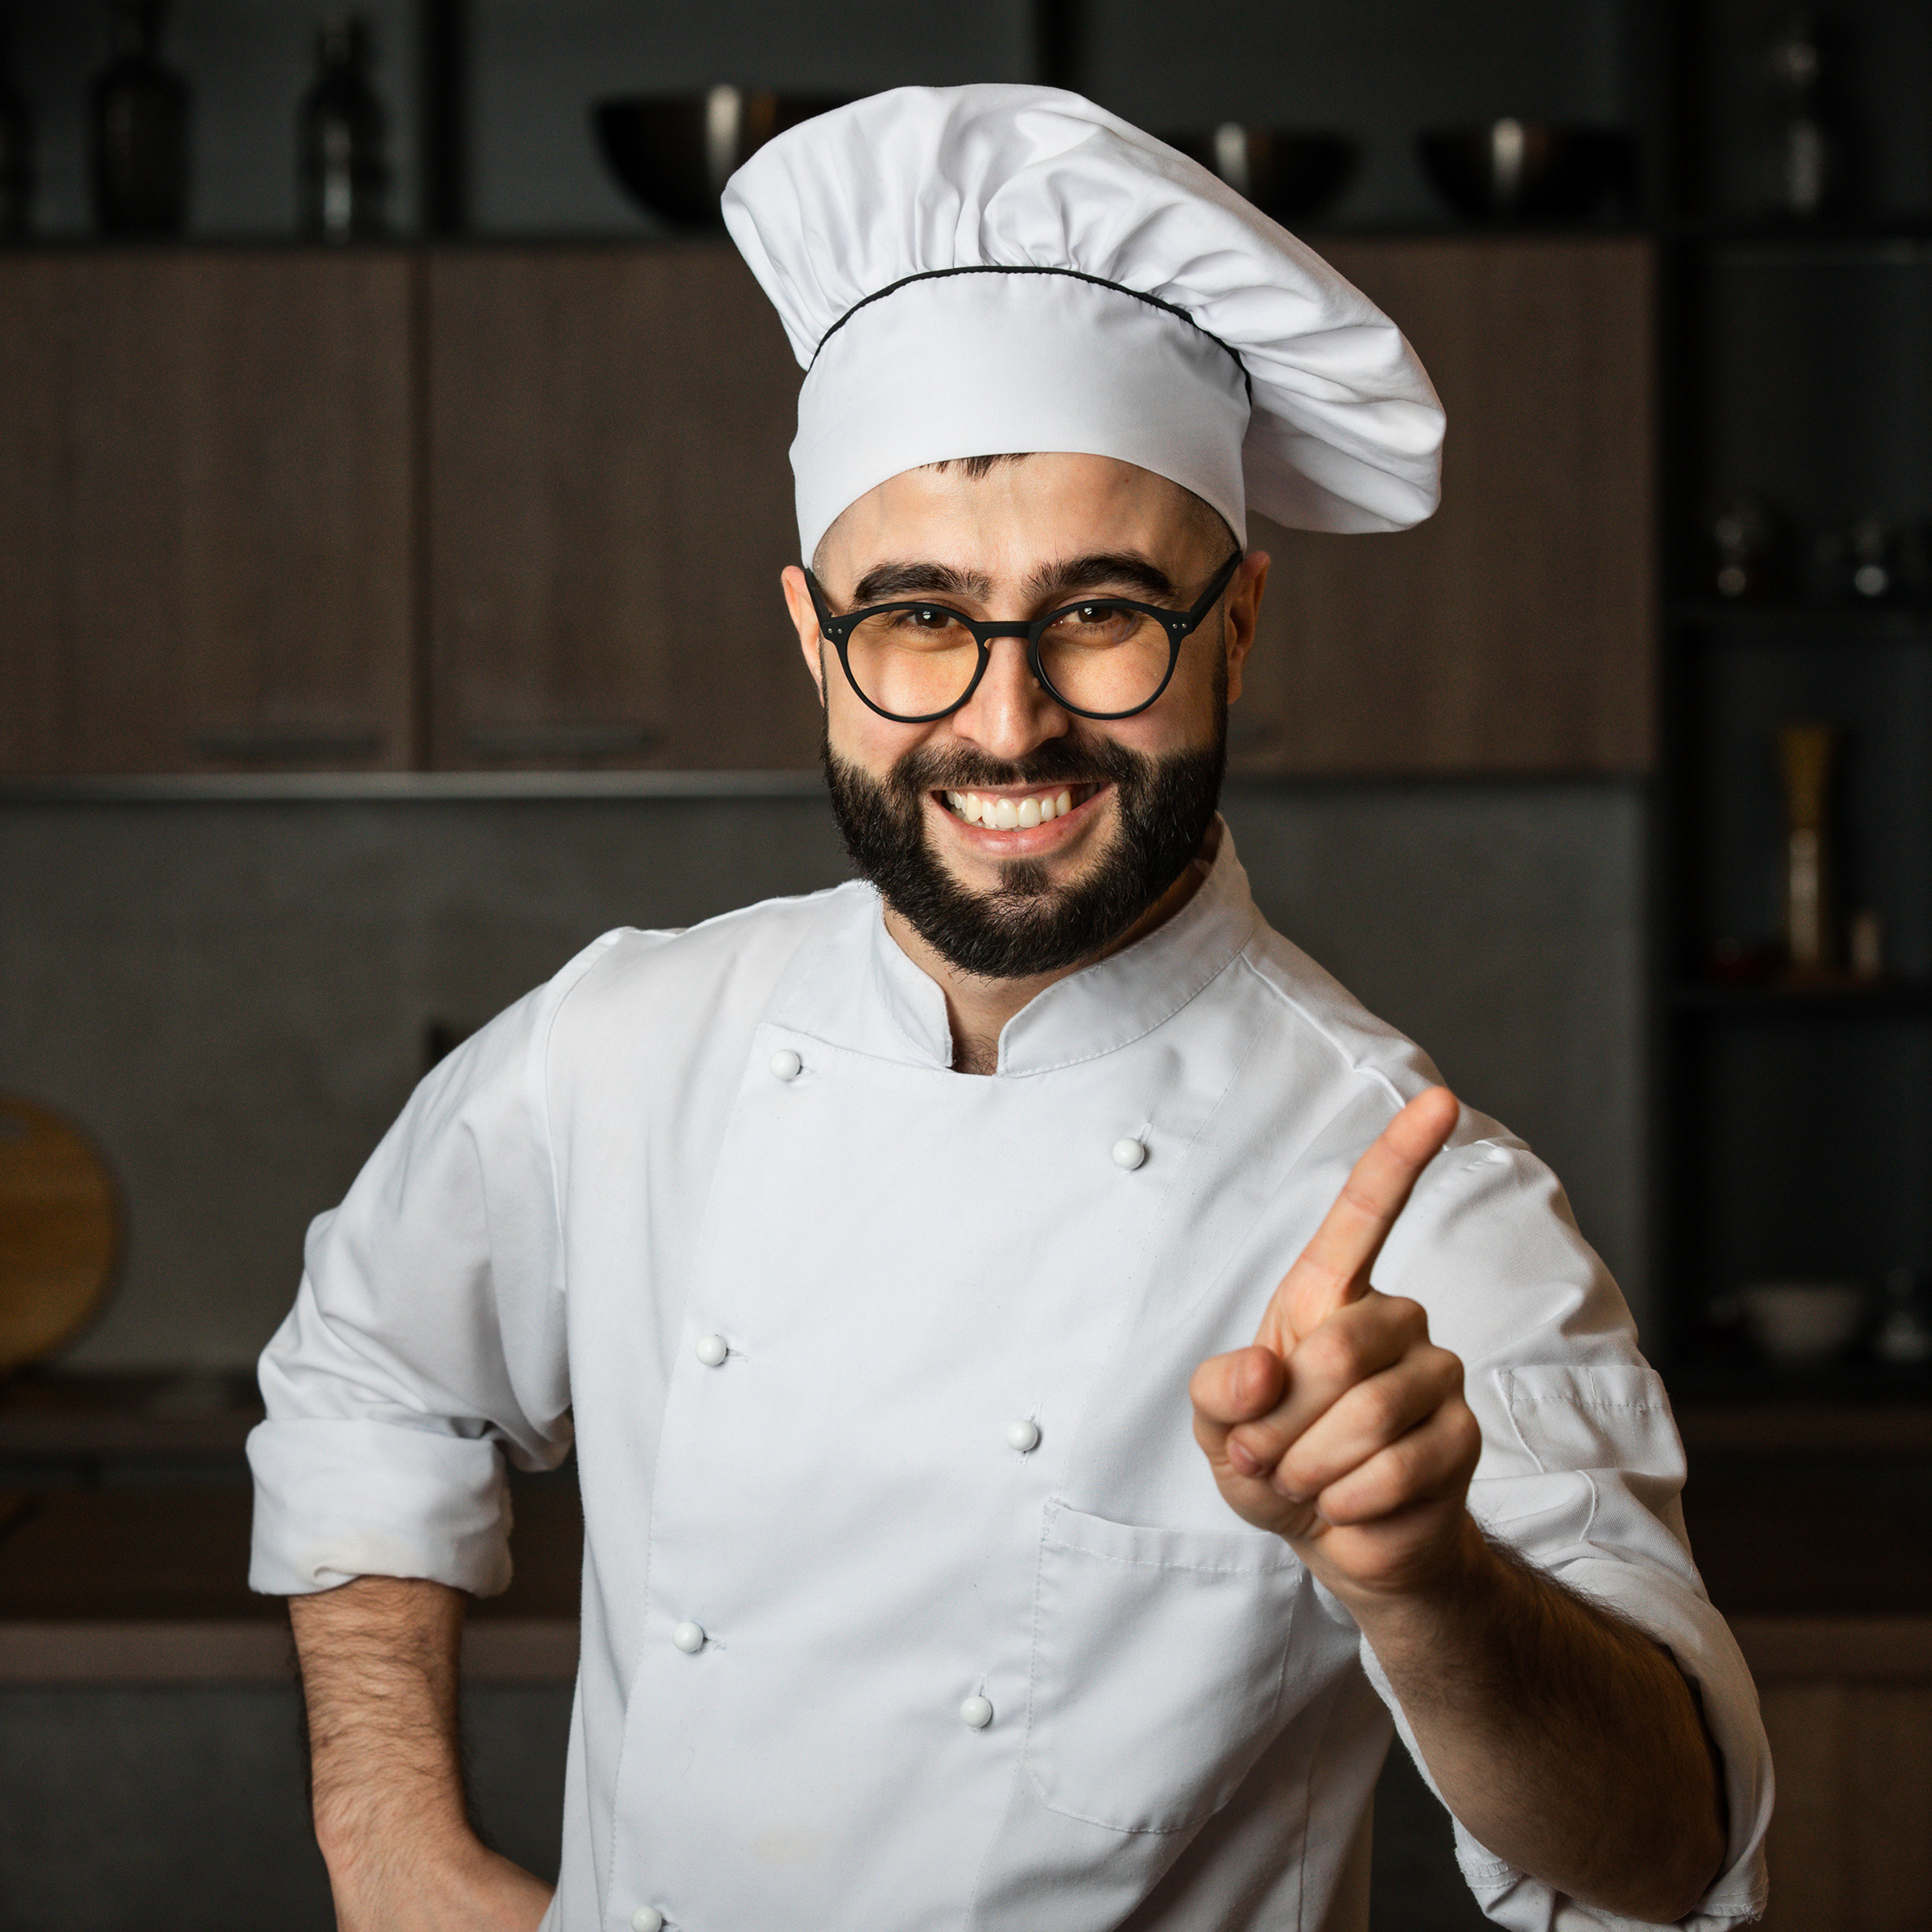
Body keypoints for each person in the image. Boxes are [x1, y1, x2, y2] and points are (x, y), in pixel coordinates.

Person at [249, 85, 1771, 1932]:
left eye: (1104, 610)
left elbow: (1671, 1853)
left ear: (1239, 623)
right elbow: (374, 1374)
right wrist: (391, 1844)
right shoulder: (624, 1048)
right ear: (816, 643)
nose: (1005, 719)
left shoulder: (1415, 1199)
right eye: (917, 619)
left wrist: (1432, 1583)